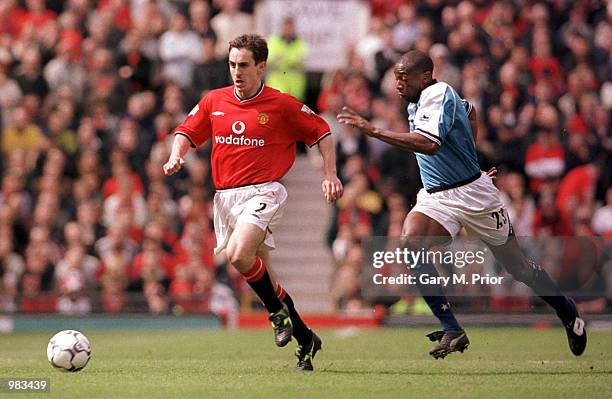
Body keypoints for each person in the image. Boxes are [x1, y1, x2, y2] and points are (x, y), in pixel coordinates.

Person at [337, 50, 586, 359]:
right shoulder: (422, 100)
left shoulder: (437, 92)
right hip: (437, 196)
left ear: (425, 76)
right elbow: (470, 112)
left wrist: (373, 130)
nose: (397, 84)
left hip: (474, 197)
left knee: (518, 267)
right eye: (395, 78)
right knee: (410, 242)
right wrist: (472, 157)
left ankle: (567, 311)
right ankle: (451, 328)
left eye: (403, 78)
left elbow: (429, 144)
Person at [163, 34, 343, 371]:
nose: (236, 71)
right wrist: (176, 157)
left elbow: (322, 131)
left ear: (261, 67)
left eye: (244, 65)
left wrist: (330, 175)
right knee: (267, 279)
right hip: (227, 199)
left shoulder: (281, 104)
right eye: (232, 64)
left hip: (264, 192)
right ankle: (305, 339)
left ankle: (276, 315)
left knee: (238, 255)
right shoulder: (214, 100)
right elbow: (185, 131)